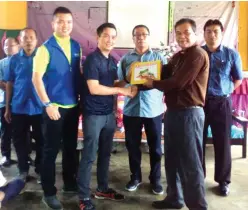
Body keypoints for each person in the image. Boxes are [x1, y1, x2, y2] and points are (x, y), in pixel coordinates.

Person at [144, 18, 209, 210]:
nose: (182, 37)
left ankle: (198, 206)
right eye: (178, 33)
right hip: (173, 113)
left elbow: (178, 82)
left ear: (195, 34)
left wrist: (152, 83)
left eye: (186, 32)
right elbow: (164, 72)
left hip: (189, 114)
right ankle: (175, 198)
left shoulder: (197, 54)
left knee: (190, 163)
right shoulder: (179, 56)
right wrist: (140, 76)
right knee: (172, 159)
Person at [77, 22, 135, 210]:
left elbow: (112, 83)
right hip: (93, 114)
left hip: (108, 114)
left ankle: (102, 188)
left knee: (105, 154)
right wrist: (121, 91)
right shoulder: (92, 60)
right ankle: (84, 197)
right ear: (98, 37)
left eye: (113, 37)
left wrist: (128, 80)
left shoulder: (111, 60)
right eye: (106, 36)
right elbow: (94, 88)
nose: (110, 40)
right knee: (89, 155)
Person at [32, 6, 81, 210]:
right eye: (60, 21)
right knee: (49, 152)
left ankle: (70, 183)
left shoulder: (76, 45)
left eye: (69, 22)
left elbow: (76, 74)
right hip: (54, 109)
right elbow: (36, 79)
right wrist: (48, 104)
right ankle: (49, 193)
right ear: (53, 24)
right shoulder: (45, 48)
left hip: (73, 107)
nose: (65, 25)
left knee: (71, 149)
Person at [117, 24, 166, 194]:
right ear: (133, 38)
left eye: (144, 34)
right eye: (137, 35)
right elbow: (120, 83)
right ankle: (135, 177)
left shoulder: (159, 58)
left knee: (156, 147)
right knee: (132, 146)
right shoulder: (125, 59)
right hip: (132, 109)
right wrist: (129, 76)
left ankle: (156, 180)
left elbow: (166, 83)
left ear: (148, 36)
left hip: (154, 110)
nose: (141, 37)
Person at [202, 19, 243, 196]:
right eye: (208, 31)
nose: (212, 34)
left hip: (222, 103)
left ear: (222, 32)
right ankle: (197, 177)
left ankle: (223, 181)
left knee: (223, 143)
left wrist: (225, 92)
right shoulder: (197, 53)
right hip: (199, 103)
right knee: (197, 142)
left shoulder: (231, 54)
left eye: (215, 31)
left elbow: (238, 79)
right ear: (204, 34)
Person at [4, 28, 43, 184]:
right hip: (19, 107)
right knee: (19, 141)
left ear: (36, 40)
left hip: (39, 107)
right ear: (20, 40)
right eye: (25, 38)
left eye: (31, 38)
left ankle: (40, 169)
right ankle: (23, 170)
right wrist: (7, 107)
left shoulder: (43, 58)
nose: (28, 41)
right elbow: (9, 84)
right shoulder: (13, 60)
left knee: (42, 140)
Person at [0, 38, 19, 167]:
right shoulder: (1, 63)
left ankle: (25, 157)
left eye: (11, 45)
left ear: (18, 46)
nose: (8, 47)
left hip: (20, 103)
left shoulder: (22, 61)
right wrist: (13, 87)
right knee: (5, 131)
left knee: (22, 132)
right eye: (6, 46)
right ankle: (6, 156)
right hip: (4, 103)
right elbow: (1, 83)